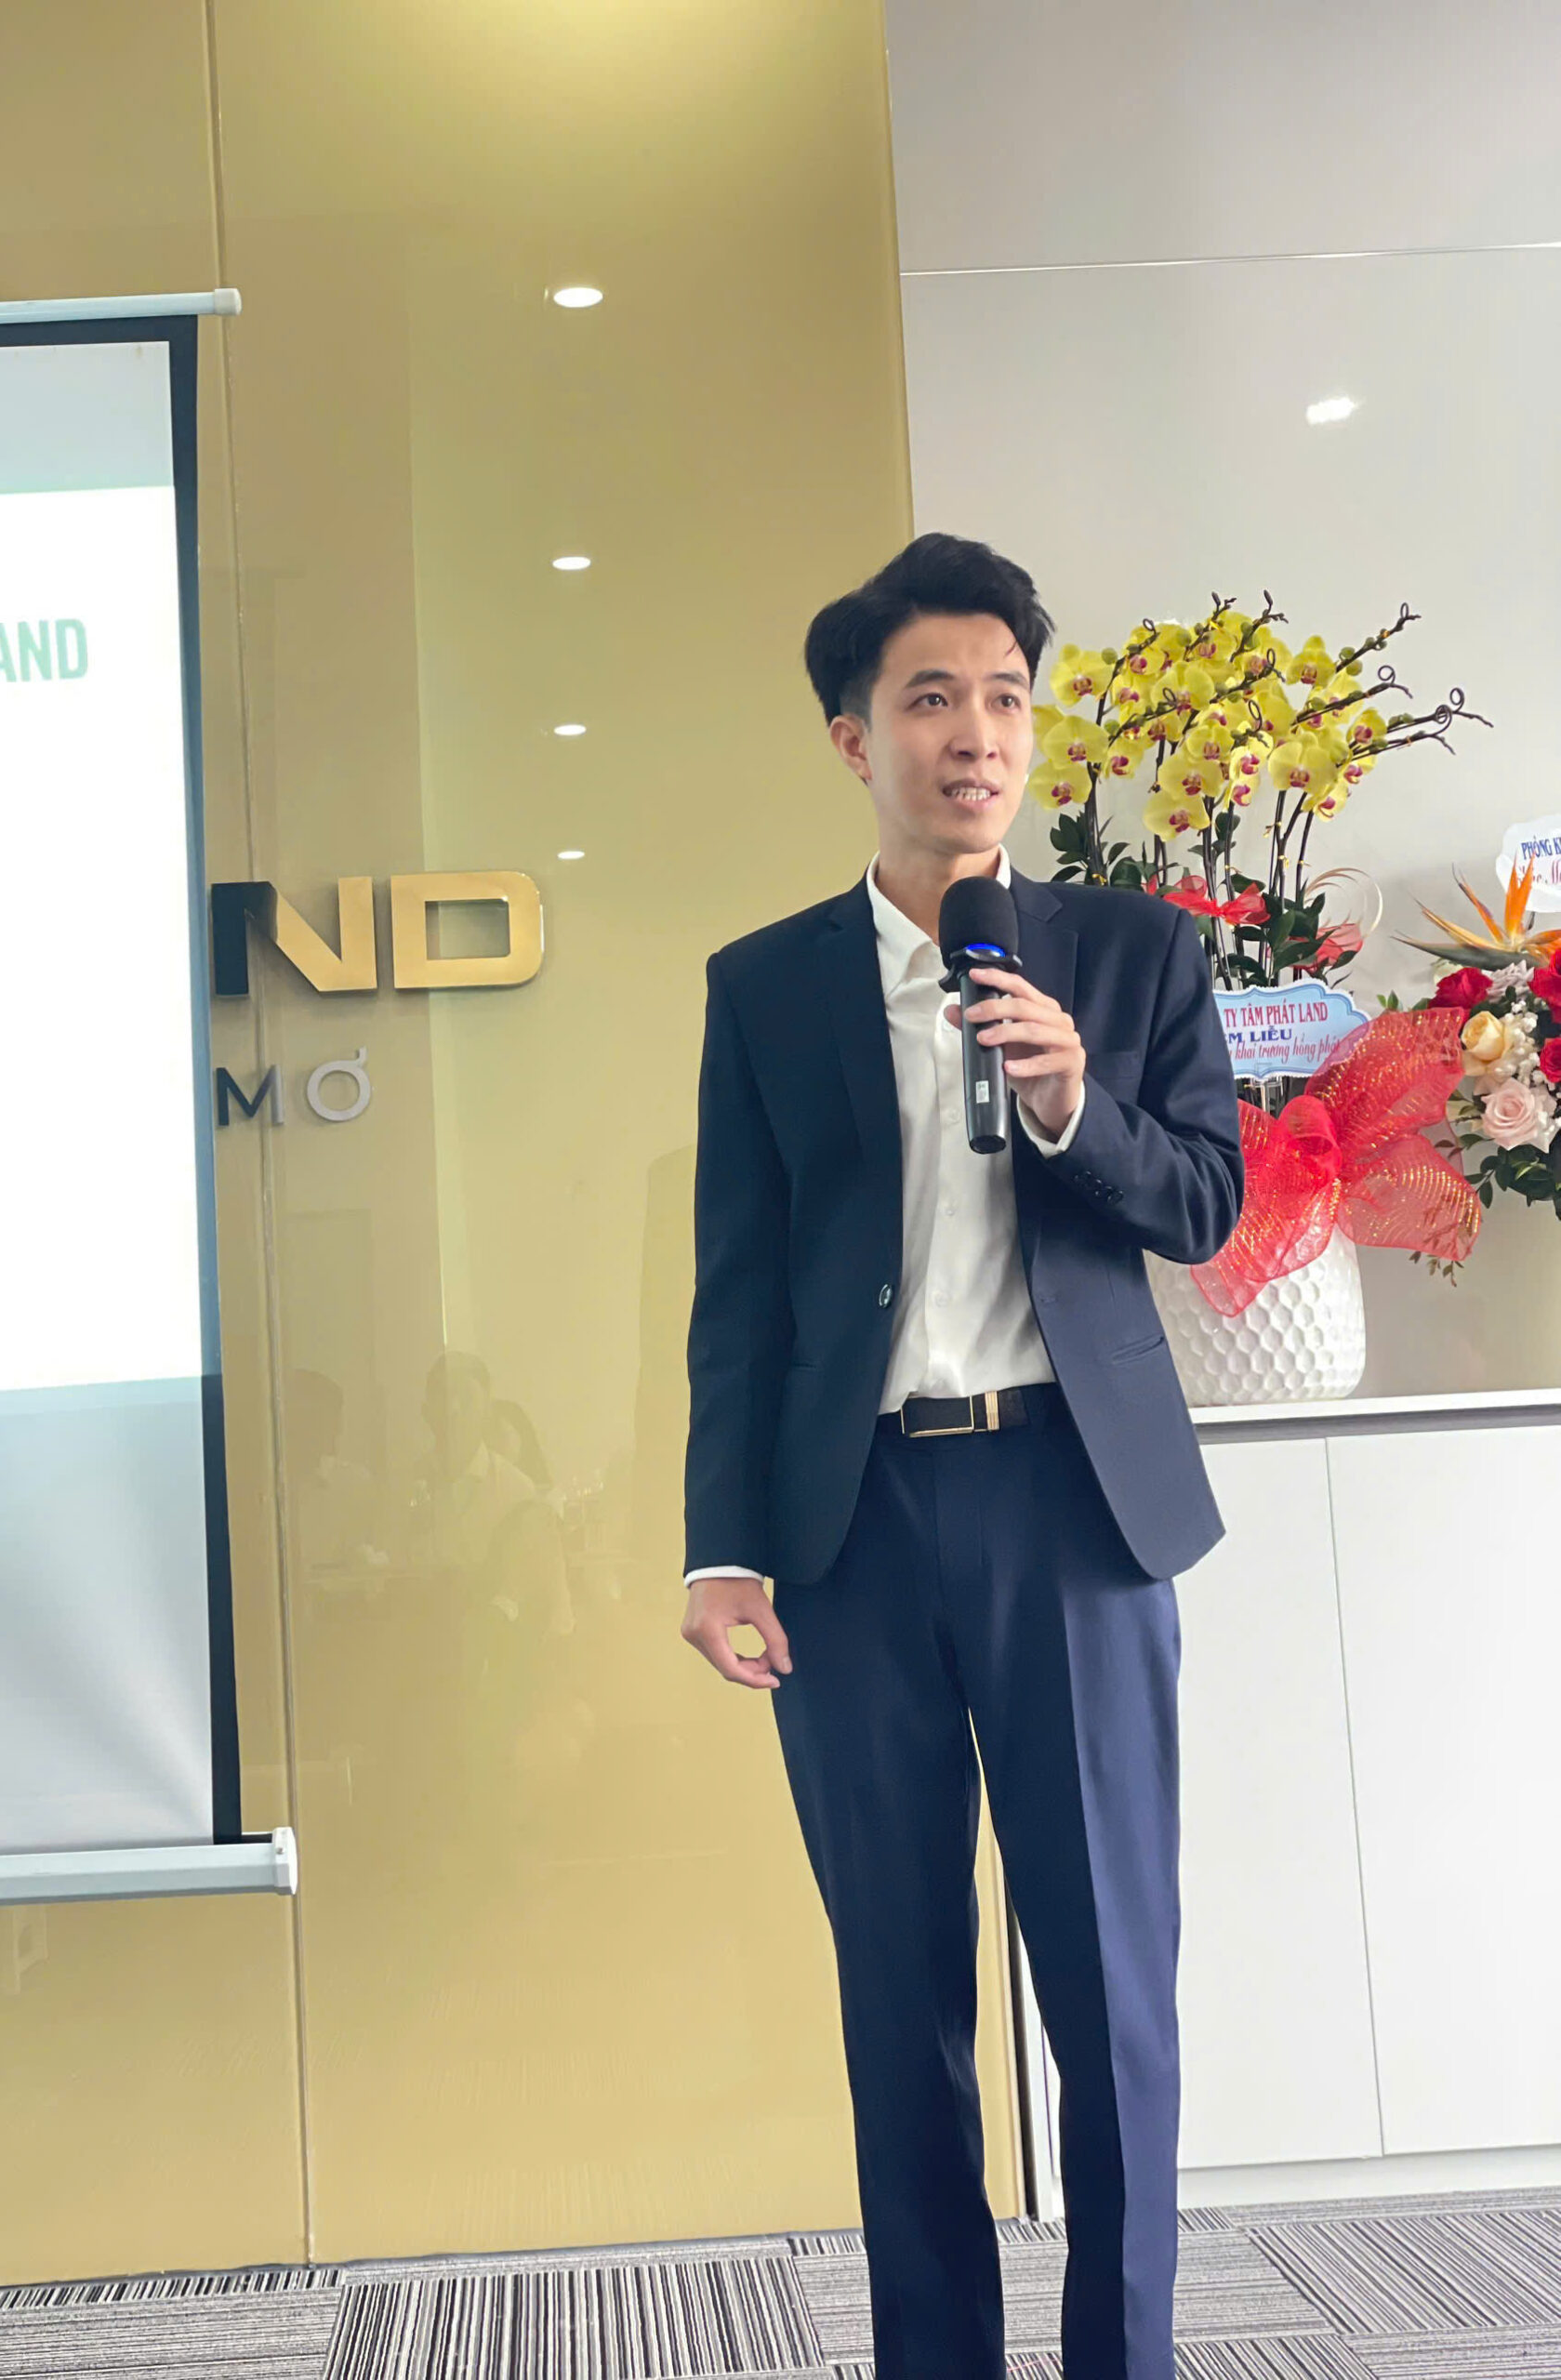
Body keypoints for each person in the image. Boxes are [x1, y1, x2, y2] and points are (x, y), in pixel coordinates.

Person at [680, 534, 1243, 2380]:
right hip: (853, 1535)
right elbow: (742, 1293)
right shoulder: (766, 986)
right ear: (858, 738)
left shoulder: (1136, 953)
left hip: (1073, 1511)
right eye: (933, 697)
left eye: (1005, 696)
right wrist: (720, 1545)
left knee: (1111, 1994)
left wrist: (1079, 1103)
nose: (978, 733)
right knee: (901, 1996)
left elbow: (1205, 1204)